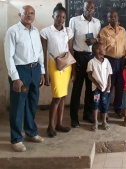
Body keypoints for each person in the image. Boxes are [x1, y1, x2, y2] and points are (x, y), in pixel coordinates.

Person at [4, 5, 45, 152]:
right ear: (19, 14)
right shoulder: (13, 31)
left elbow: (40, 52)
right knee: (18, 106)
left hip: (35, 70)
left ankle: (31, 132)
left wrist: (42, 71)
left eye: (32, 13)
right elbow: (8, 56)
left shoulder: (35, 31)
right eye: (26, 13)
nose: (29, 15)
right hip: (21, 71)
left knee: (32, 103)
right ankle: (16, 139)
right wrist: (15, 78)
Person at [40, 3, 74, 137]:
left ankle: (59, 123)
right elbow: (43, 52)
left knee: (63, 95)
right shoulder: (45, 32)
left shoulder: (68, 31)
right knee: (57, 97)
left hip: (66, 64)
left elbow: (70, 50)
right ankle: (50, 126)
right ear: (53, 16)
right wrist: (45, 72)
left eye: (63, 17)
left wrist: (74, 71)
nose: (61, 19)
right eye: (58, 16)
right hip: (54, 65)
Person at [69, 0, 101, 128]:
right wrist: (72, 61)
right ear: (83, 8)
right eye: (87, 7)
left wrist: (95, 40)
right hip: (79, 56)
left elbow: (99, 38)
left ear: (94, 9)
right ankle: (74, 118)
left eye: (92, 8)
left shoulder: (97, 22)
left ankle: (87, 114)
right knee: (77, 88)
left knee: (90, 88)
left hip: (92, 57)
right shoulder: (74, 20)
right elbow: (69, 41)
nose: (89, 9)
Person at [99, 10, 126, 118]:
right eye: (110, 17)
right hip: (109, 60)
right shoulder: (104, 31)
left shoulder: (123, 30)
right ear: (107, 19)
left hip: (121, 60)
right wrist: (113, 36)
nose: (113, 18)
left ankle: (118, 108)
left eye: (115, 16)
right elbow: (103, 47)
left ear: (118, 17)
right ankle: (105, 110)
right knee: (108, 86)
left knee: (120, 86)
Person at [87, 42, 112, 131]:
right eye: (103, 48)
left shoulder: (106, 61)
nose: (105, 50)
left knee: (104, 104)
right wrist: (97, 85)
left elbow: (109, 74)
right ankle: (95, 122)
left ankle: (104, 121)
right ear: (98, 50)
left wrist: (109, 85)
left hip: (105, 88)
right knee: (95, 104)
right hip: (96, 89)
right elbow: (90, 75)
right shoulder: (91, 62)